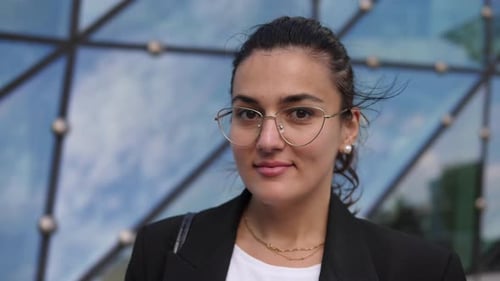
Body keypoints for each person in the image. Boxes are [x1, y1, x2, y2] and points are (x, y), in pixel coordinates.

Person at [125, 16, 466, 281]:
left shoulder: (423, 271)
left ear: (348, 128)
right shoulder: (161, 250)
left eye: (300, 113)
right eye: (248, 113)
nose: (268, 140)